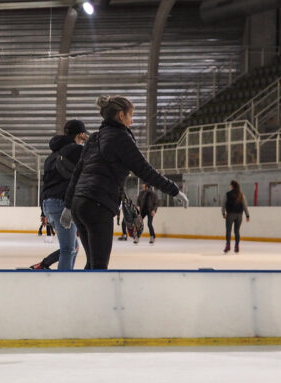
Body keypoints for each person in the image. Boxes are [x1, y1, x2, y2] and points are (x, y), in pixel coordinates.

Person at [62, 96, 188, 270]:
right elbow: (145, 170)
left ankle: (85, 296)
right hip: (97, 205)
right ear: (121, 116)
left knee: (92, 263)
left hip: (79, 204)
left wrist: (69, 206)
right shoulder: (120, 138)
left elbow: (77, 173)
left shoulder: (94, 138)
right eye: (130, 115)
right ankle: (96, 297)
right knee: (99, 266)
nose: (132, 120)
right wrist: (174, 190)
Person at [34, 119, 88, 271]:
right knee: (68, 248)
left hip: (49, 204)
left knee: (73, 247)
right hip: (62, 203)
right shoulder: (75, 151)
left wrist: (42, 211)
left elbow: (45, 184)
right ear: (81, 134)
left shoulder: (52, 156)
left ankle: (57, 270)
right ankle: (63, 282)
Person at [222, 180, 251, 254]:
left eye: (230, 185)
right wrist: (247, 215)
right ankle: (237, 246)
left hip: (230, 214)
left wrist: (223, 213)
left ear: (232, 186)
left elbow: (223, 204)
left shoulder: (227, 194)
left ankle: (228, 246)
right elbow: (245, 206)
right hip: (239, 215)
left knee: (228, 231)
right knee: (237, 231)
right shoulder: (241, 194)